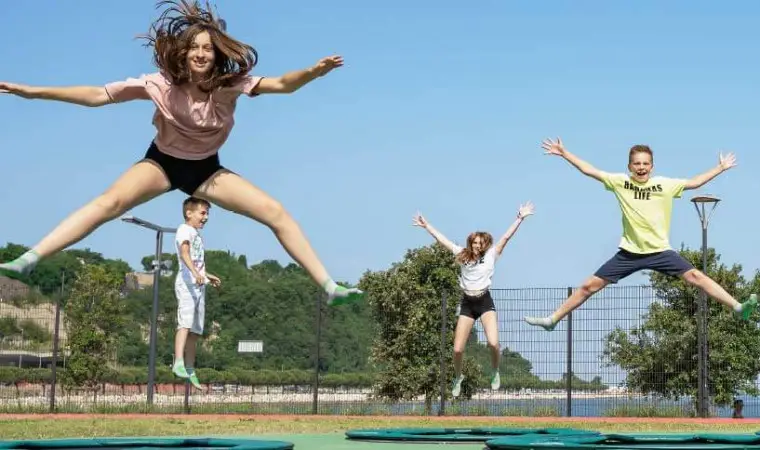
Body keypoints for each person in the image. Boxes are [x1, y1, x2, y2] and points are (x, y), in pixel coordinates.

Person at [0, 0, 362, 306]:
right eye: (195, 48)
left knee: (275, 213)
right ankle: (31, 258)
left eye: (208, 48)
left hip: (206, 169)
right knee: (109, 204)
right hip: (162, 162)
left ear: (216, 53)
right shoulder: (158, 84)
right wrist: (32, 92)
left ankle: (329, 287)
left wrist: (313, 72)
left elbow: (283, 84)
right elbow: (97, 95)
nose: (201, 54)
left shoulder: (229, 85)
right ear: (184, 53)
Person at [524, 138, 757, 331]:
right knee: (588, 286)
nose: (641, 167)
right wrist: (565, 153)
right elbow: (589, 171)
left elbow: (694, 183)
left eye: (646, 163)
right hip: (630, 252)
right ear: (630, 167)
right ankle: (553, 319)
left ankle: (737, 307)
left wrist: (720, 168)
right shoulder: (620, 182)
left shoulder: (665, 185)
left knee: (696, 276)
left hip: (660, 251)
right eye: (637, 163)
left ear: (652, 167)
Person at [413, 202, 535, 397]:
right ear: (471, 243)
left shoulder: (492, 255)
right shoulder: (462, 254)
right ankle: (458, 376)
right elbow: (442, 240)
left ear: (485, 244)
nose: (477, 245)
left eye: (480, 243)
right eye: (474, 242)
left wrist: (519, 218)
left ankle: (495, 371)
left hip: (485, 301)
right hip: (468, 304)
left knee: (493, 343)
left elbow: (506, 236)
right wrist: (427, 226)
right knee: (458, 349)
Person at [173, 196, 220, 389]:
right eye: (203, 212)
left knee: (195, 329)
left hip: (199, 284)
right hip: (187, 284)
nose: (206, 217)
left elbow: (197, 262)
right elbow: (184, 254)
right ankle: (178, 362)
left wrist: (207, 275)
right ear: (189, 213)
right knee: (184, 323)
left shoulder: (197, 234)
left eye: (207, 213)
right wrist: (194, 273)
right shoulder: (184, 230)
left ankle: (190, 367)